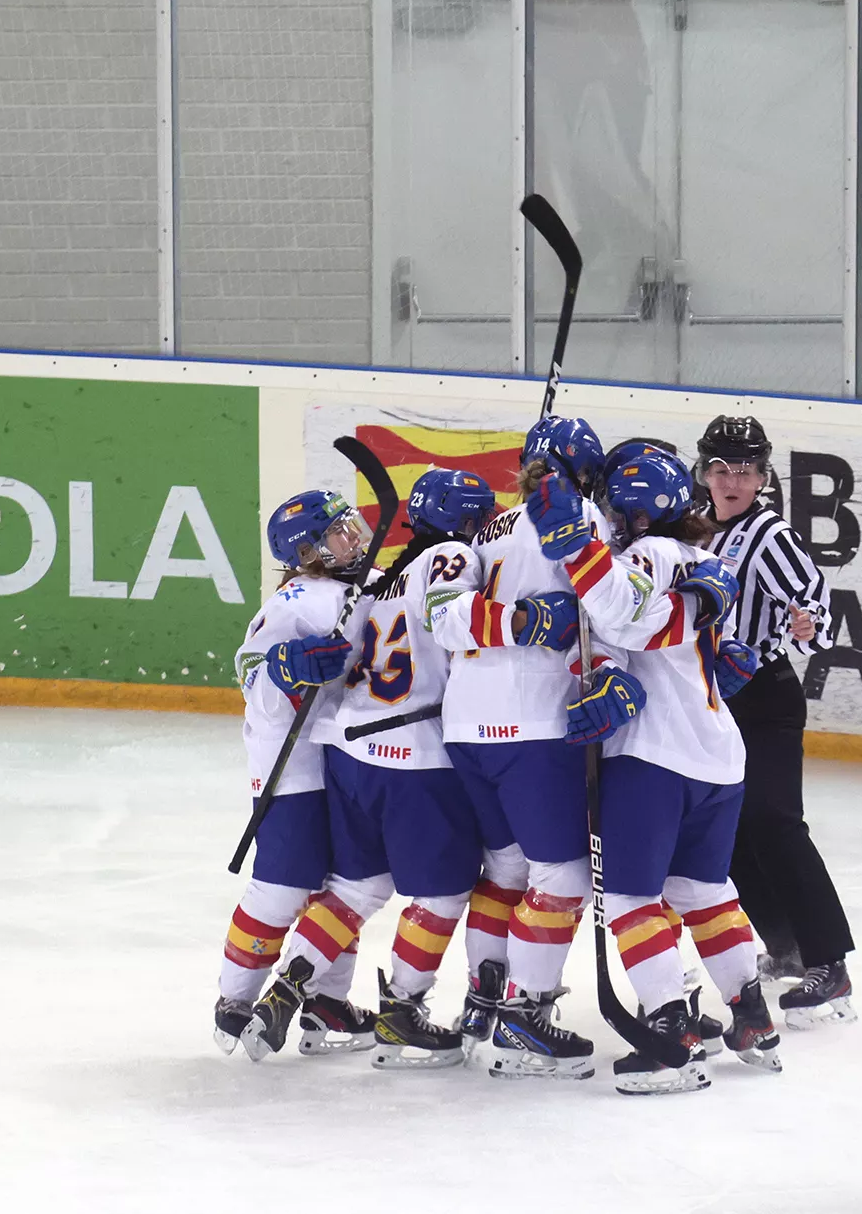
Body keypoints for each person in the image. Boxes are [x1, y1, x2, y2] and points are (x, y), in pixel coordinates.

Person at [538, 439, 781, 1095]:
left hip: (655, 758)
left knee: (630, 898)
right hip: (717, 756)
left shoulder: (645, 554)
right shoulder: (702, 556)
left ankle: (672, 1030)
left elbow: (625, 613)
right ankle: (752, 1015)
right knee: (703, 890)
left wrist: (575, 547)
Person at [421, 416, 597, 1079]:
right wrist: (529, 623)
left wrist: (510, 618)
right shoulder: (579, 518)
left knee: (506, 869)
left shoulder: (487, 527)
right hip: (535, 725)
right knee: (563, 876)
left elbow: (444, 615)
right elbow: (609, 612)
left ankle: (482, 1002)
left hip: (467, 724)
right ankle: (523, 1021)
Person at [320, 467, 500, 1070]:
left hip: (351, 755)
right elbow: (461, 627)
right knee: (445, 893)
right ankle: (400, 1012)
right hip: (416, 759)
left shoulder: (379, 577)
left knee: (351, 888)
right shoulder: (449, 557)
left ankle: (304, 986)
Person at [696, 414, 855, 1028]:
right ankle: (786, 944)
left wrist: (811, 625)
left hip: (766, 699)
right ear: (705, 471)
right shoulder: (700, 530)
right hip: (716, 701)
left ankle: (830, 961)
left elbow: (815, 602)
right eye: (721, 468)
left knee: (778, 824)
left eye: (745, 471)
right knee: (730, 834)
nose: (732, 481)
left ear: (763, 477)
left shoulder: (769, 535)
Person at [216, 489, 382, 1060]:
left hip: (343, 755)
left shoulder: (363, 582)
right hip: (289, 765)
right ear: (310, 550)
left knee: (340, 885)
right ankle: (234, 1000)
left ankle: (324, 1002)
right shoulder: (296, 601)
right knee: (284, 884)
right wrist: (284, 667)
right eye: (340, 532)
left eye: (352, 526)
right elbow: (250, 675)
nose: (354, 538)